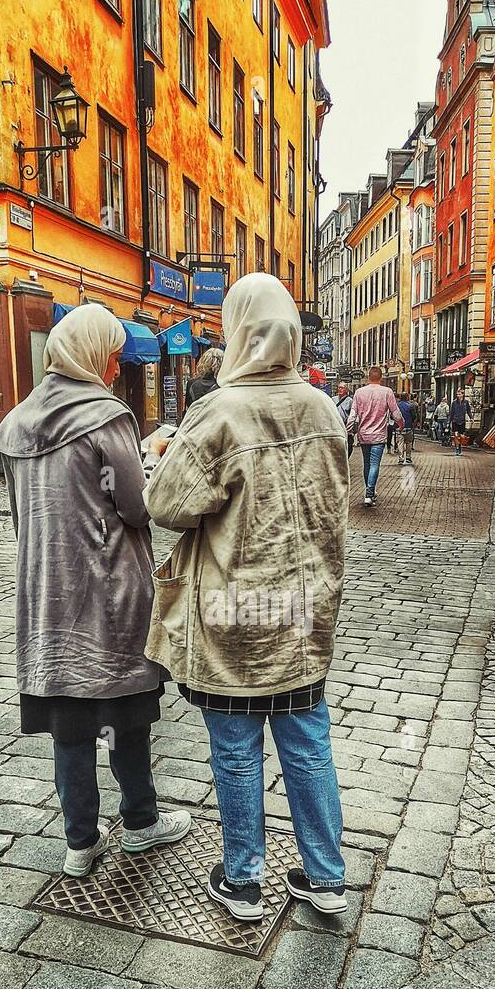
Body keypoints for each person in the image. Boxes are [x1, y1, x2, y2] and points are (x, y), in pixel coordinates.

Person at [145, 273, 349, 923]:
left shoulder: (220, 412)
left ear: (237, 331)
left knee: (236, 752)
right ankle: (324, 876)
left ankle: (242, 883)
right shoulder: (321, 408)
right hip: (300, 612)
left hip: (234, 614)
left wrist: (166, 450)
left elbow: (168, 507)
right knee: (307, 743)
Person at [0, 306, 192, 878]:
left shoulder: (19, 421)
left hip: (46, 588)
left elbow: (20, 515)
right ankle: (140, 822)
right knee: (123, 710)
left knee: (70, 720)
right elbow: (134, 507)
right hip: (107, 588)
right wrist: (151, 458)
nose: (114, 363)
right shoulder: (105, 416)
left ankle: (80, 839)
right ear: (90, 353)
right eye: (110, 352)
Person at [348, 366, 402, 506]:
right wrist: (401, 424)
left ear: (368, 377)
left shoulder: (359, 392)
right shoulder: (387, 392)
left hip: (364, 435)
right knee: (374, 464)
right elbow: (395, 413)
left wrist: (347, 430)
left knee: (367, 464)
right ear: (381, 378)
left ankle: (369, 491)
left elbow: (352, 415)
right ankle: (369, 493)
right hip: (378, 435)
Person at [333, 380, 355, 458]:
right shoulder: (333, 399)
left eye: (342, 388)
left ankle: (345, 459)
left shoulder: (350, 401)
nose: (340, 389)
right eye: (339, 387)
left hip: (346, 428)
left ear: (346, 390)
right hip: (335, 428)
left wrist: (350, 428)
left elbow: (352, 415)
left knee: (348, 447)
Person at [449, 389, 472, 455]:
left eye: (459, 394)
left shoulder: (466, 402)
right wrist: (449, 422)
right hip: (455, 420)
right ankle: (457, 449)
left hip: (462, 421)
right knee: (456, 435)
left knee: (461, 436)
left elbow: (468, 411)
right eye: (457, 394)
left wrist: (471, 418)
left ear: (463, 394)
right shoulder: (454, 403)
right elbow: (451, 413)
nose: (458, 395)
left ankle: (459, 446)